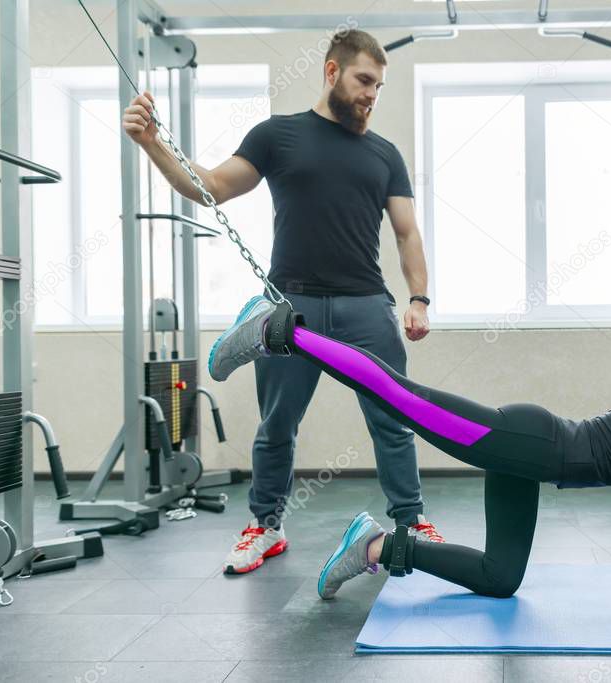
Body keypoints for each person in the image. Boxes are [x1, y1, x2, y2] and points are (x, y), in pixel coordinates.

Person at [208, 294, 611, 641]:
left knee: (500, 577)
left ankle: (374, 546)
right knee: (397, 393)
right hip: (526, 442)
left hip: (532, 455)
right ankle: (279, 330)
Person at [121, 29, 445, 575]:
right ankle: (266, 526)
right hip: (289, 306)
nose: (372, 93)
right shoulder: (278, 135)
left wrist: (419, 298)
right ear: (331, 71)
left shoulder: (384, 154)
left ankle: (410, 521)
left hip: (366, 305)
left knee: (393, 419)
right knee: (277, 424)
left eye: (380, 86)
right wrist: (154, 143)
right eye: (365, 80)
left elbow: (407, 233)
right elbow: (213, 187)